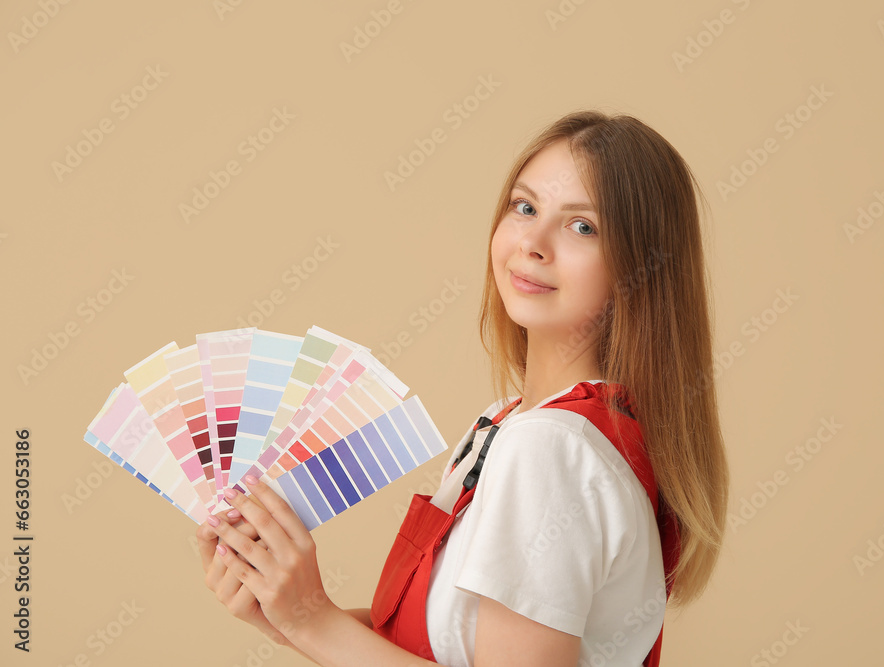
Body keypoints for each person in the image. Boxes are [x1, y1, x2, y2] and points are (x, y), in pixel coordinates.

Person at [195, 109, 730, 666]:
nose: (534, 243)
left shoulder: (550, 447)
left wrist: (312, 618)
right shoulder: (516, 423)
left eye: (583, 226)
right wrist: (288, 615)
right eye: (525, 208)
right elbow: (451, 650)